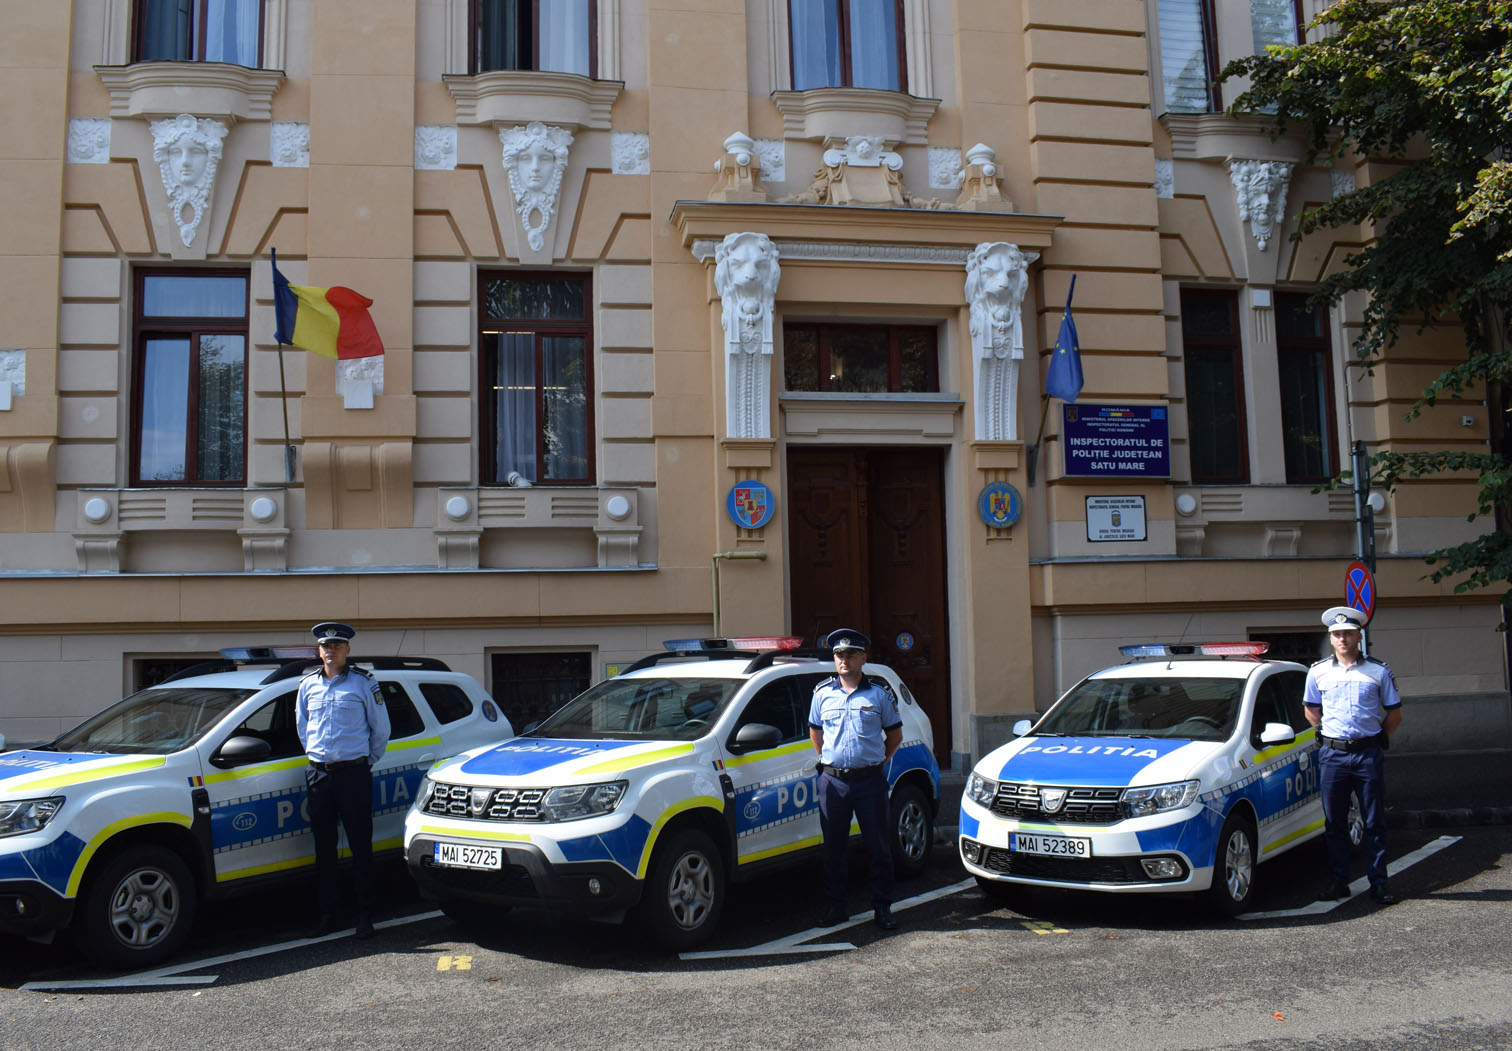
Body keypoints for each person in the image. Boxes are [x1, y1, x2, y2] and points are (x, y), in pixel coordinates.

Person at [295, 622, 391, 938]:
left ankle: (365, 914)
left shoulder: (364, 683)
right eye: (326, 645)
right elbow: (303, 728)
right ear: (319, 650)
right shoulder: (307, 685)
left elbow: (381, 729)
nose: (331, 650)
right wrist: (318, 759)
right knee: (324, 848)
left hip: (353, 774)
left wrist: (364, 762)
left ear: (347, 649)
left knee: (360, 845)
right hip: (319, 774)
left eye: (337, 645)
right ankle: (329, 913)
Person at [1304, 606, 1403, 905]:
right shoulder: (1318, 671)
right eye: (1336, 634)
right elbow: (1311, 710)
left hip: (1366, 755)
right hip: (1333, 756)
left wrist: (1378, 738)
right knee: (1334, 823)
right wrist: (1325, 734)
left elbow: (1395, 714)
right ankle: (1339, 882)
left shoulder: (1378, 671)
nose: (1342, 639)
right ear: (1331, 638)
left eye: (1348, 633)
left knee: (1374, 821)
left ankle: (1379, 884)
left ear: (1359, 636)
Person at [808, 629, 904, 930]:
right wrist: (831, 760)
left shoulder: (879, 694)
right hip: (833, 782)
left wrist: (877, 762)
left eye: (850, 654)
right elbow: (816, 733)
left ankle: (882, 907)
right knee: (834, 848)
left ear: (863, 658)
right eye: (839, 655)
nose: (844, 660)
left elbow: (895, 735)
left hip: (869, 781)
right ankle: (836, 907)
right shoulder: (822, 693)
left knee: (878, 847)